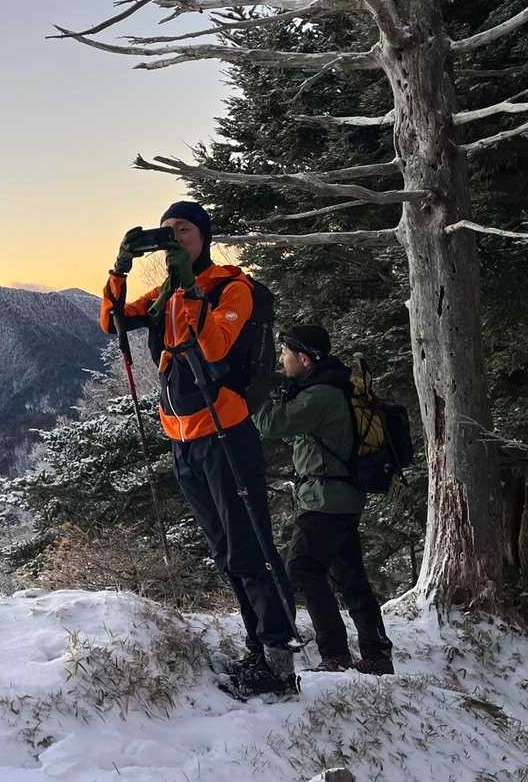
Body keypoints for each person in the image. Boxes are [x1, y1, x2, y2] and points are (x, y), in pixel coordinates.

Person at [100, 201, 299, 699]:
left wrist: (189, 289)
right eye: (166, 230)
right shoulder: (163, 294)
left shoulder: (231, 287)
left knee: (249, 545)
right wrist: (119, 270)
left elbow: (213, 346)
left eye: (183, 229)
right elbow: (113, 322)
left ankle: (279, 663)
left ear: (203, 236)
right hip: (183, 437)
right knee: (225, 549)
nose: (173, 236)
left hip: (226, 431)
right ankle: (257, 649)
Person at [254, 325, 394, 675]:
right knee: (349, 576)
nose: (282, 358)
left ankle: (334, 654)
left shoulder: (321, 395)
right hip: (342, 497)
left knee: (302, 568)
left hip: (325, 500)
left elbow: (273, 423)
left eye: (286, 353)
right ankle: (376, 653)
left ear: (304, 359)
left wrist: (252, 394)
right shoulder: (334, 387)